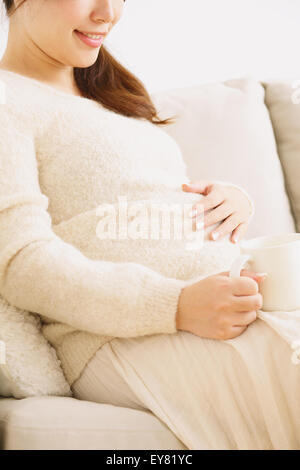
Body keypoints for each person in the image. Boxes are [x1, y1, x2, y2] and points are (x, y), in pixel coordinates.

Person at [0, 0, 299, 450]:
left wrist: (231, 198)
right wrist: (173, 305)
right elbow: (20, 262)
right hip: (124, 333)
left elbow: (133, 194)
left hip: (221, 296)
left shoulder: (108, 91)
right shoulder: (7, 100)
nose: (109, 13)